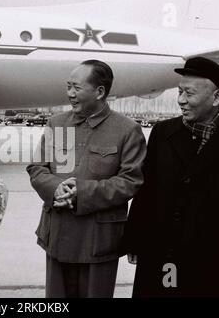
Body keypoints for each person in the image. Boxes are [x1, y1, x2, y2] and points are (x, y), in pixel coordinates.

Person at [123, 57, 219, 297]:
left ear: (217, 97)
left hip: (212, 261)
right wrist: (135, 237)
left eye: (188, 93)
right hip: (160, 252)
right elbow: (147, 189)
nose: (181, 100)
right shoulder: (163, 133)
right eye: (179, 92)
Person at [26, 59, 147, 298]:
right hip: (58, 234)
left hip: (98, 241)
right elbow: (37, 167)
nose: (69, 94)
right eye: (68, 86)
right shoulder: (56, 123)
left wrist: (81, 192)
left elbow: (131, 180)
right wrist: (56, 188)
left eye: (76, 88)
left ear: (100, 91)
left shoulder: (127, 130)